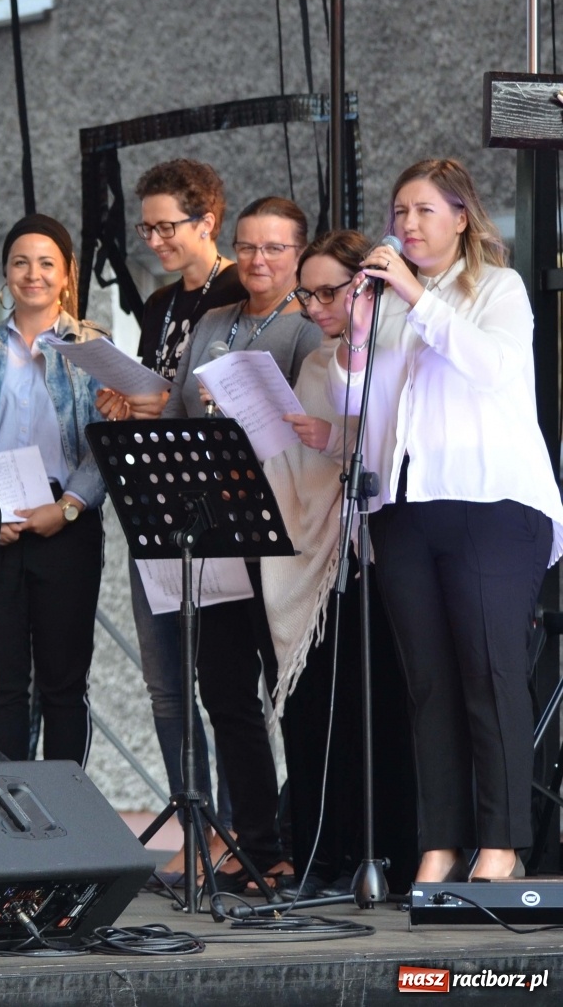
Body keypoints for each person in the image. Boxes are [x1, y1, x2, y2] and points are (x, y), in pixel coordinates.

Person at [334, 158, 563, 884]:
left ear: (462, 217)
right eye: (399, 212)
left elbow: (491, 368)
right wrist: (360, 335)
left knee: (489, 672)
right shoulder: (393, 304)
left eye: (424, 211)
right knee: (428, 680)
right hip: (405, 506)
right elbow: (361, 407)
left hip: (492, 504)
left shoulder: (498, 286)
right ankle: (440, 841)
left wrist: (413, 295)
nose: (406, 225)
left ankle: (502, 843)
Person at [147, 195, 323, 887]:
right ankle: (257, 840)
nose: (257, 260)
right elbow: (186, 413)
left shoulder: (308, 327)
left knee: (294, 692)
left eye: (275, 249)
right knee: (224, 689)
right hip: (216, 531)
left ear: (299, 256)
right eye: (248, 247)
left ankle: (306, 842)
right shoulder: (214, 322)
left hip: (282, 533)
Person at [98, 159, 245, 860]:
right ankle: (200, 823)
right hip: (154, 502)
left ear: (207, 219)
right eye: (146, 227)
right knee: (164, 684)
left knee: (223, 682)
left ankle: (247, 828)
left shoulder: (242, 289)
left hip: (219, 507)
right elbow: (155, 396)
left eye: (167, 226)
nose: (153, 240)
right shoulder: (156, 306)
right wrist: (125, 407)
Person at [263, 230, 418, 894]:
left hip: (395, 551)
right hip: (333, 560)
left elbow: (407, 443)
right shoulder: (318, 363)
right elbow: (300, 467)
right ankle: (328, 856)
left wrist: (336, 441)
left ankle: (395, 854)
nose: (316, 304)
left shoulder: (406, 343)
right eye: (308, 292)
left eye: (329, 290)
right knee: (326, 710)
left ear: (368, 286)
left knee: (389, 711)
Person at [0, 214, 106, 762]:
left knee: (64, 685)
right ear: (6, 274)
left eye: (46, 263)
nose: (32, 274)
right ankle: (3, 821)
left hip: (66, 522)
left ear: (66, 275)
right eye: (20, 262)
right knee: (0, 686)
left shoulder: (93, 348)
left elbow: (104, 446)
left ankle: (65, 824)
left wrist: (68, 508)